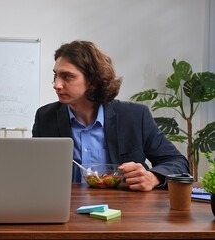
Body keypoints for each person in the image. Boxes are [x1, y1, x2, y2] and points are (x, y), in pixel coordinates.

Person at [32, 40, 189, 191]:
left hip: (123, 209)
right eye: (56, 76)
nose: (56, 85)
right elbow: (33, 171)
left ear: (93, 81)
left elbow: (177, 162)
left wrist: (154, 177)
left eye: (67, 76)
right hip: (66, 208)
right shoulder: (45, 117)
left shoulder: (134, 116)